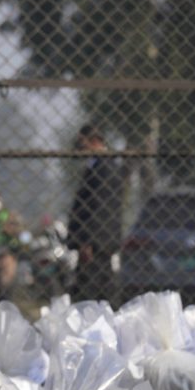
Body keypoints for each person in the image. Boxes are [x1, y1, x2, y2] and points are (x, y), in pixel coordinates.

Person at [68, 124, 124, 302]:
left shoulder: (104, 167)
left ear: (94, 141)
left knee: (89, 293)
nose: (79, 146)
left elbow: (100, 208)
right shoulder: (101, 165)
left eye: (82, 142)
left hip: (96, 244)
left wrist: (88, 242)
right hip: (99, 242)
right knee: (101, 291)